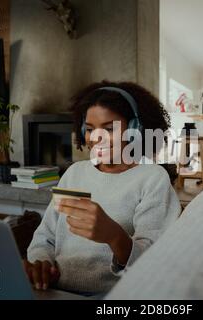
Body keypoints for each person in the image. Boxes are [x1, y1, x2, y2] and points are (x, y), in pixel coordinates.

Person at [24, 81, 181, 296]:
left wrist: (114, 236)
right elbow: (45, 237)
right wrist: (41, 264)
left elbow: (154, 261)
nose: (96, 137)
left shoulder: (152, 179)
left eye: (109, 128)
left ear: (135, 130)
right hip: (55, 291)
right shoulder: (74, 173)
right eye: (89, 129)